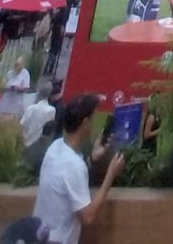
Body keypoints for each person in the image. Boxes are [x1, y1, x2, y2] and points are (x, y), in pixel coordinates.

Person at [34, 93, 123, 244]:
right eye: (92, 118)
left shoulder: (55, 147)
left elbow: (67, 178)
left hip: (39, 236)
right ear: (85, 122)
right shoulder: (74, 165)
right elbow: (88, 217)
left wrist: (93, 158)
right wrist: (111, 174)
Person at [21, 86, 58, 150]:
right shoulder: (52, 110)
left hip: (25, 141)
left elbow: (22, 124)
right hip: (40, 143)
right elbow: (49, 129)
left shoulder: (30, 108)